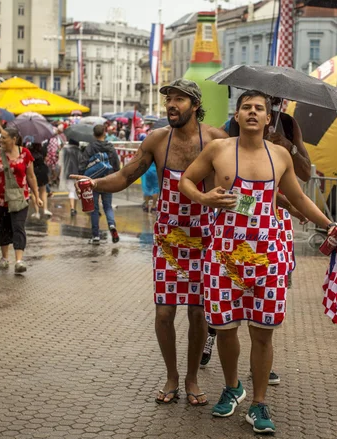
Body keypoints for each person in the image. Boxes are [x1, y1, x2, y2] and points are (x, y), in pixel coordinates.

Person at [179, 90, 337, 434]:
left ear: (269, 118)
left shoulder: (280, 155)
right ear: (236, 116)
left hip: (268, 256)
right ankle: (232, 387)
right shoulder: (218, 150)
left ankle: (259, 403)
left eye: (259, 109)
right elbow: (185, 180)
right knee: (225, 330)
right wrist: (204, 196)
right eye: (246, 108)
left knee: (263, 333)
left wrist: (329, 224)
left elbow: (297, 197)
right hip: (223, 256)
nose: (252, 113)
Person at [70, 79, 228, 407]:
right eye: (169, 99)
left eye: (179, 99)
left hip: (205, 236)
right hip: (169, 238)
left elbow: (239, 180)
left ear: (195, 104)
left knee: (198, 314)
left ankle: (191, 378)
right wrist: (94, 183)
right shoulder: (158, 140)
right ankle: (172, 375)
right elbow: (126, 175)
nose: (171, 104)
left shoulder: (216, 139)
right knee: (164, 311)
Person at [0, 128, 42, 273]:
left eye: (4, 138)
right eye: (1, 137)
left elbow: (31, 176)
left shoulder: (25, 154)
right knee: (3, 227)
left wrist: (36, 195)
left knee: (18, 226)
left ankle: (19, 261)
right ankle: (4, 258)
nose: (0, 140)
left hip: (20, 197)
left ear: (14, 139)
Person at [79, 125, 121, 244]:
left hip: (93, 182)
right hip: (108, 180)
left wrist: (81, 178)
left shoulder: (90, 147)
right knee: (107, 206)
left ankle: (95, 236)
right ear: (105, 133)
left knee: (94, 209)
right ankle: (112, 225)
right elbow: (116, 165)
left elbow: (82, 163)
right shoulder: (110, 147)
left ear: (94, 134)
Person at [28, 142, 52, 220]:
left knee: (33, 192)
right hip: (42, 171)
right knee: (43, 191)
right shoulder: (43, 149)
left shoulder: (29, 150)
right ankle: (45, 209)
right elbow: (46, 159)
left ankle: (37, 212)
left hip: (33, 171)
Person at [60, 139, 82, 217]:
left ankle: (72, 208)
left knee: (71, 191)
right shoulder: (78, 151)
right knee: (76, 190)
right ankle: (74, 208)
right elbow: (81, 162)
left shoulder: (65, 150)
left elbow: (61, 162)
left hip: (68, 173)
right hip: (77, 173)